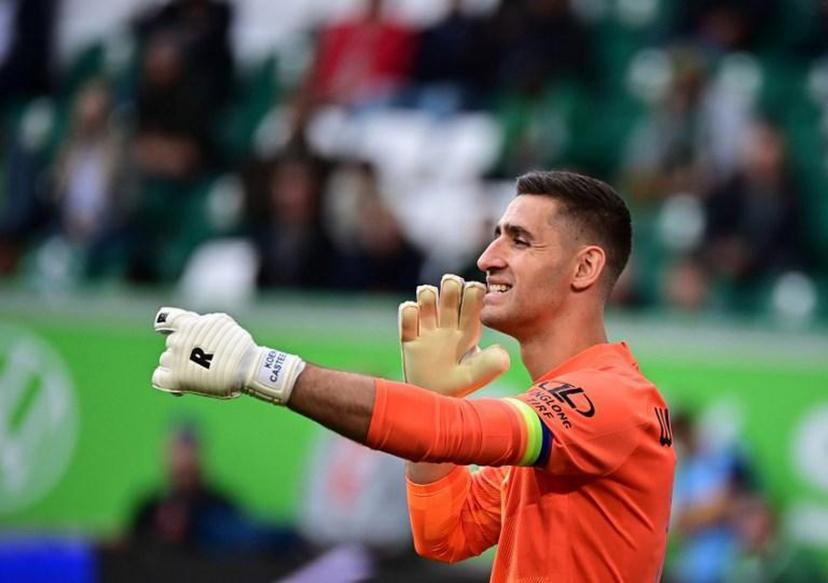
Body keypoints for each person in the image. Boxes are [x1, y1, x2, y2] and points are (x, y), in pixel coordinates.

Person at [149, 170, 676, 581]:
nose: (487, 257)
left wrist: (264, 370)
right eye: (496, 236)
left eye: (518, 240)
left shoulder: (611, 398)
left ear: (584, 268)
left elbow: (459, 431)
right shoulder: (563, 415)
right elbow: (446, 535)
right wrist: (432, 407)